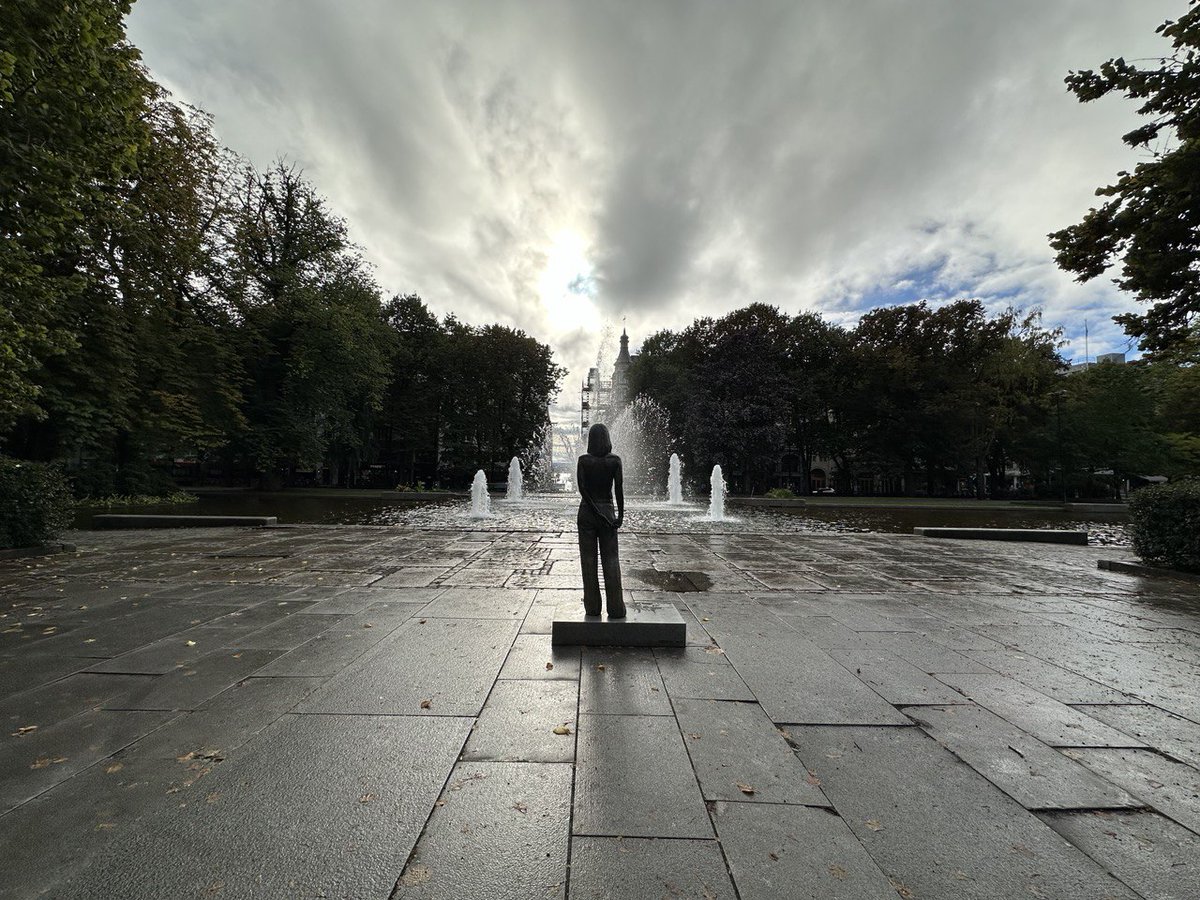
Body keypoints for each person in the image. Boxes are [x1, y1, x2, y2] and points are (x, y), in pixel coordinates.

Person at [577, 423, 625, 618]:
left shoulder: (583, 460)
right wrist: (620, 515)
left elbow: (582, 489)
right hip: (607, 511)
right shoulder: (614, 461)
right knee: (611, 560)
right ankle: (616, 608)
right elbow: (618, 490)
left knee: (588, 561)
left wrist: (595, 511)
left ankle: (592, 607)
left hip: (587, 513)